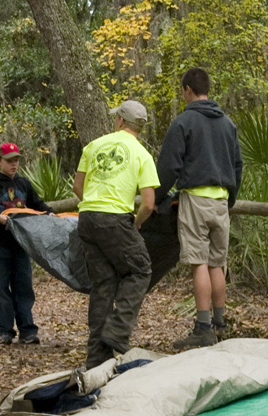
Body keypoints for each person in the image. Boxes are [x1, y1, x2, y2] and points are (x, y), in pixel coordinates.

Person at [155, 67, 243, 349]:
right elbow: (237, 165)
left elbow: (169, 165)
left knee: (200, 263)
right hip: (220, 200)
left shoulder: (184, 122)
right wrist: (230, 198)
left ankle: (203, 327)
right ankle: (220, 324)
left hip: (195, 197)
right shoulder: (227, 124)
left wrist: (156, 197)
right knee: (218, 263)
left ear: (188, 90)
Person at [73, 100, 159, 369]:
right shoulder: (142, 155)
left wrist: (96, 206)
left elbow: (78, 187)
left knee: (103, 283)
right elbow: (147, 202)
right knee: (141, 270)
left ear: (120, 121)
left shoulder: (94, 146)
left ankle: (97, 358)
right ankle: (118, 332)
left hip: (87, 218)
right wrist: (135, 224)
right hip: (115, 218)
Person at [0, 142, 53, 345]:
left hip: (21, 244)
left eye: (16, 160)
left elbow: (37, 204)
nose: (14, 164)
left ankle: (28, 330)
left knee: (23, 286)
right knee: (1, 288)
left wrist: (50, 213)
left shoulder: (24, 184)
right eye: (9, 160)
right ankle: (5, 331)